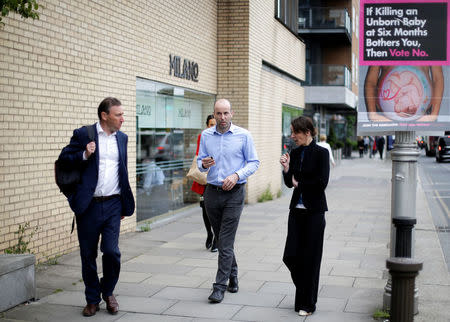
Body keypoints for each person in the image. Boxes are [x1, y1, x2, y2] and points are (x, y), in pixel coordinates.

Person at [58, 97, 135, 317]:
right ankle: (92, 299)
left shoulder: (123, 138)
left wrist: (123, 204)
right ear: (104, 115)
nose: (123, 119)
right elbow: (64, 159)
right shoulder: (84, 135)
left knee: (112, 251)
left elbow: (122, 170)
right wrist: (84, 154)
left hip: (113, 204)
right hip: (89, 205)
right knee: (87, 255)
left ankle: (108, 291)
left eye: (122, 114)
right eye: (118, 115)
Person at [197, 98, 259, 303]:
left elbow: (253, 163)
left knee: (224, 242)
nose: (222, 118)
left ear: (232, 114)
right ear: (213, 114)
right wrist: (204, 164)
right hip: (212, 193)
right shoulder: (206, 135)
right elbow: (200, 162)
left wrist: (237, 175)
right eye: (218, 114)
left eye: (225, 113)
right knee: (222, 238)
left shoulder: (244, 135)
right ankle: (233, 276)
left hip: (234, 193)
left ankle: (219, 286)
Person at [279, 116, 330, 317]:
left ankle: (307, 303)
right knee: (290, 255)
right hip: (296, 212)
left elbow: (322, 183)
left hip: (315, 212)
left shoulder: (322, 153)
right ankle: (306, 293)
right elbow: (290, 182)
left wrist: (300, 183)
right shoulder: (296, 151)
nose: (292, 136)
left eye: (295, 132)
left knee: (311, 258)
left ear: (307, 132)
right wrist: (286, 170)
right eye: (291, 132)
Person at [364, 65, 443, 122]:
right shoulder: (381, 43)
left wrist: (434, 114)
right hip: (383, 118)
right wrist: (372, 114)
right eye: (399, 102)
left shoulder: (431, 42)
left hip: (423, 117)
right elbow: (371, 81)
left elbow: (437, 78)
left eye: (398, 102)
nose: (397, 100)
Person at [191, 114, 218, 252]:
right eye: (210, 124)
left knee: (215, 210)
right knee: (205, 208)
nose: (213, 127)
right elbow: (198, 155)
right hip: (204, 178)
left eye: (215, 124)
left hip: (217, 177)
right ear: (207, 125)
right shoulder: (203, 136)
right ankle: (209, 233)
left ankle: (216, 240)